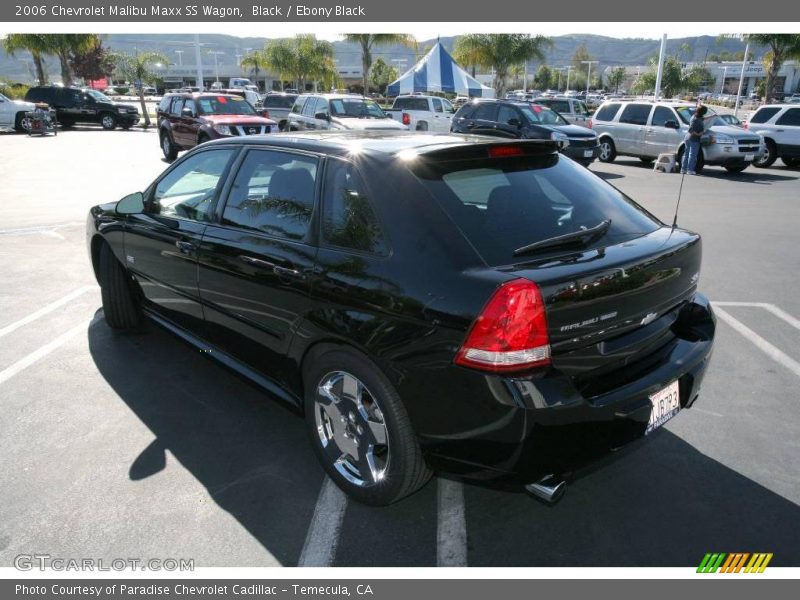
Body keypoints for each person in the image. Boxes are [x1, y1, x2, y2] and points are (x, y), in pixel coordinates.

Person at [681, 105, 707, 175]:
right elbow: (691, 130)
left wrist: (713, 116)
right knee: (692, 155)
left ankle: (683, 169)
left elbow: (703, 119)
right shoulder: (695, 119)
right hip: (693, 139)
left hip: (688, 138)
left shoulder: (696, 117)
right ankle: (689, 170)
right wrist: (699, 134)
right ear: (703, 112)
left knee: (686, 154)